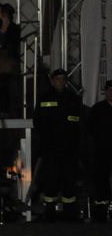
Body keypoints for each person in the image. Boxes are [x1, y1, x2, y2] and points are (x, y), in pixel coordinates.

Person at [33, 69, 83, 221]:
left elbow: (79, 123)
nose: (60, 82)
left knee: (69, 181)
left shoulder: (73, 98)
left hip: (69, 149)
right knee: (51, 181)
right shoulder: (44, 98)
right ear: (52, 80)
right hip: (51, 149)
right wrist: (45, 141)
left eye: (63, 79)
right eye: (58, 79)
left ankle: (69, 213)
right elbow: (38, 121)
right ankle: (49, 213)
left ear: (66, 81)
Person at [87, 80, 112, 222]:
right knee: (101, 180)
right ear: (105, 92)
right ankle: (101, 209)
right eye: (109, 90)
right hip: (102, 151)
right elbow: (90, 129)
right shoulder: (98, 109)